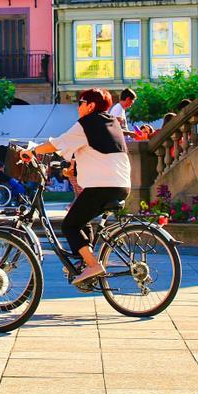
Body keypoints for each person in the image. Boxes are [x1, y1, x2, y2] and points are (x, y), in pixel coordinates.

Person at [19, 88, 131, 285]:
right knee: (81, 219)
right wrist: (73, 168)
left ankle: (93, 265)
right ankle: (83, 260)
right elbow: (98, 152)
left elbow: (57, 144)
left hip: (102, 186)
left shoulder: (87, 123)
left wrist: (32, 151)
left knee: (69, 226)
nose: (78, 107)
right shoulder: (112, 123)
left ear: (90, 105)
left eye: (81, 102)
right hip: (120, 185)